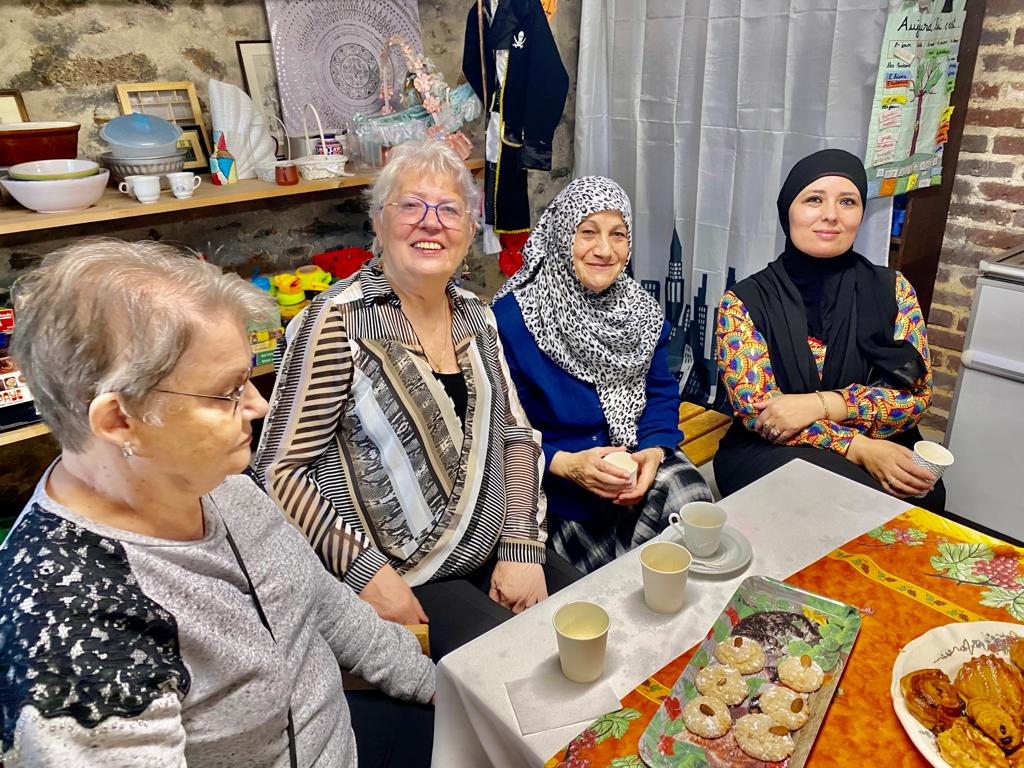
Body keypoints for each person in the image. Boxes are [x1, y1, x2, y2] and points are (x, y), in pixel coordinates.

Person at [0, 239, 435, 767]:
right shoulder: (78, 638)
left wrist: (432, 684)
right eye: (227, 391)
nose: (259, 404)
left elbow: (311, 595)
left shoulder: (209, 476)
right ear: (118, 421)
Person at [255, 139, 579, 660]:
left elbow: (515, 435)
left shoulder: (476, 312)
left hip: (493, 543)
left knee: (587, 620)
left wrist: (522, 551)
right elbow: (278, 471)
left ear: (469, 231)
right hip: (403, 572)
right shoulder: (336, 322)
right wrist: (367, 574)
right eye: (410, 205)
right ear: (378, 224)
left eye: (449, 210)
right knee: (516, 665)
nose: (431, 223)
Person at [491, 176, 713, 573]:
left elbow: (661, 391)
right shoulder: (512, 321)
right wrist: (569, 463)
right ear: (562, 237)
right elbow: (505, 429)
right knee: (613, 583)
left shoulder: (641, 312)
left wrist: (653, 450)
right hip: (560, 484)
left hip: (636, 462)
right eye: (588, 232)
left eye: (618, 234)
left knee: (690, 501)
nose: (605, 250)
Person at [714, 148, 945, 512]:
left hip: (884, 437)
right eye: (814, 199)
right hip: (772, 448)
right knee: (849, 497)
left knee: (925, 493)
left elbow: (915, 396)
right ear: (787, 210)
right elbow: (761, 414)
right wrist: (858, 448)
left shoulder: (893, 290)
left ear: (860, 214)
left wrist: (824, 404)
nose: (831, 215)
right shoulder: (745, 301)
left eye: (848, 201)